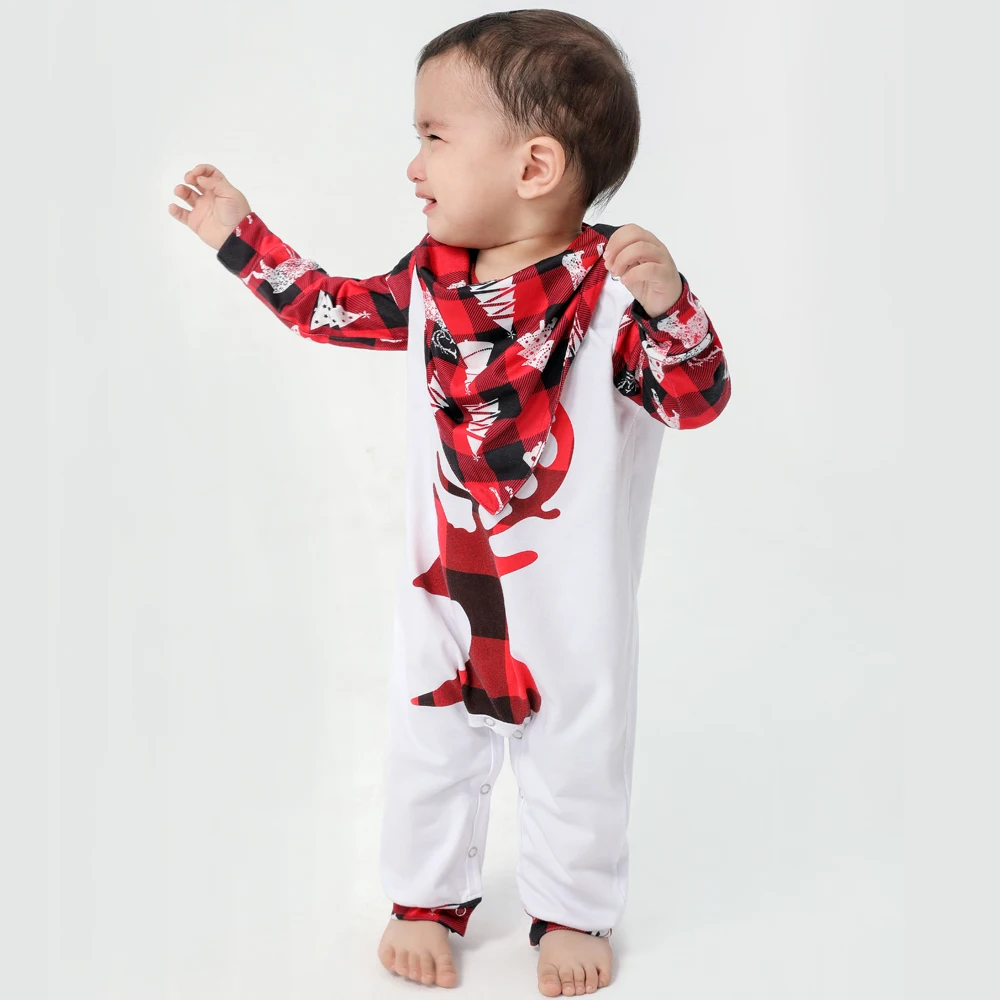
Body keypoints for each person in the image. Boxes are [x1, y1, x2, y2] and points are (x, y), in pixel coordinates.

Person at [167, 10, 731, 996]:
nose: (412, 165)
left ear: (533, 166)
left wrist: (669, 305)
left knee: (576, 750)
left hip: (569, 603)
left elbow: (696, 399)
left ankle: (574, 909)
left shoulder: (610, 294)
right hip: (447, 584)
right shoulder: (430, 281)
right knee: (429, 734)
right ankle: (425, 897)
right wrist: (238, 236)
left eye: (433, 136)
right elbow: (329, 307)